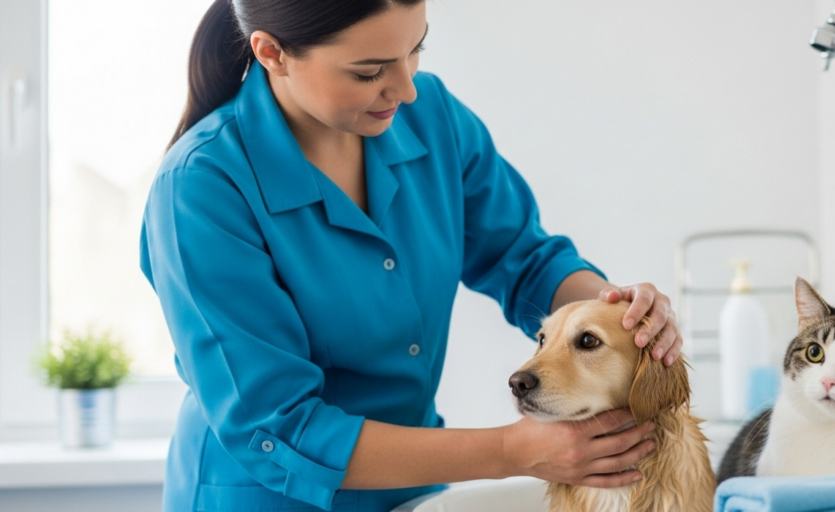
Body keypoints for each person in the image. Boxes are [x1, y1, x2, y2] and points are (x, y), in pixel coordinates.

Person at [140, 0, 684, 510]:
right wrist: (512, 451)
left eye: (416, 49)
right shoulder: (201, 187)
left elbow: (524, 259)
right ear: (272, 53)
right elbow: (276, 424)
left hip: (414, 491)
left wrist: (618, 310)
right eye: (369, 71)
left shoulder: (433, 119)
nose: (407, 89)